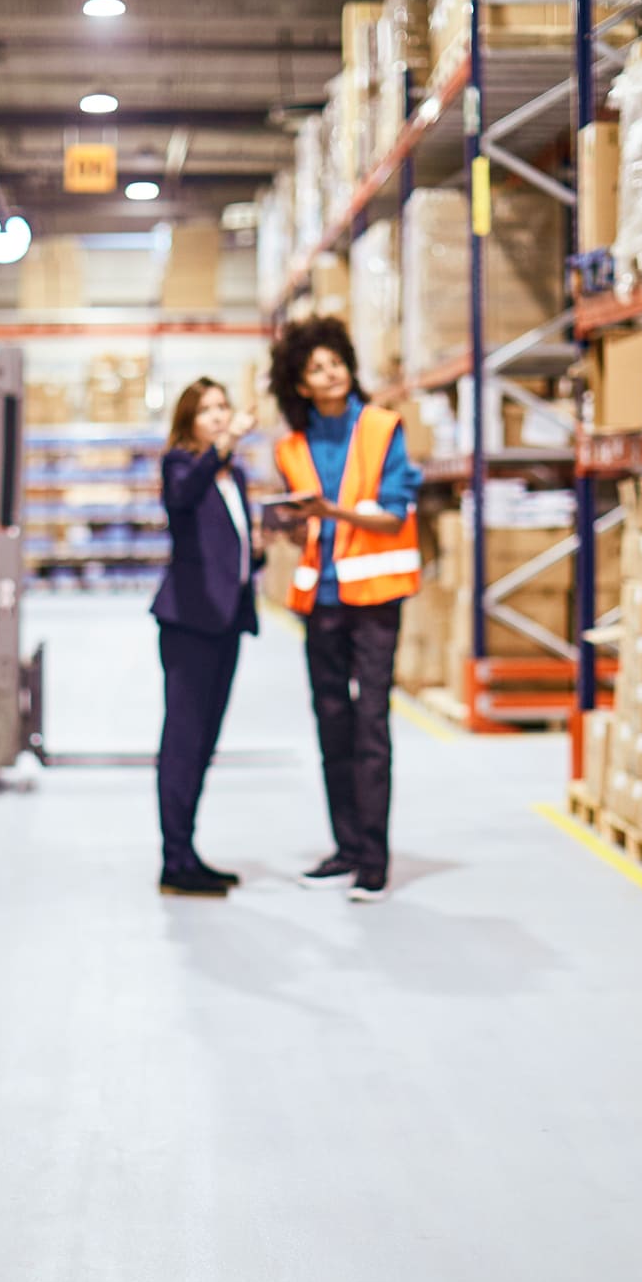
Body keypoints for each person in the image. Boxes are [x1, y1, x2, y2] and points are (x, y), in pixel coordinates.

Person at [268, 316, 423, 904]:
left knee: (370, 724)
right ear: (301, 385)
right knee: (331, 722)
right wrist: (284, 522)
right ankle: (346, 846)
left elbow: (394, 513)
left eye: (336, 362)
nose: (330, 373)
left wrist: (329, 512)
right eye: (316, 368)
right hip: (321, 600)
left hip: (376, 600)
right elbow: (301, 529)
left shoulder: (382, 428)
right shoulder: (291, 447)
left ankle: (374, 861)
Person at [151, 379, 260, 899]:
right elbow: (181, 496)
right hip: (190, 622)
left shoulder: (233, 475)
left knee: (205, 743)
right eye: (208, 410)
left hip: (227, 620)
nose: (219, 416)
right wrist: (224, 444)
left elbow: (226, 548)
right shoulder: (182, 465)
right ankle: (175, 860)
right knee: (183, 741)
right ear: (189, 421)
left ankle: (188, 853)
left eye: (224, 406)